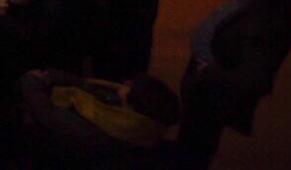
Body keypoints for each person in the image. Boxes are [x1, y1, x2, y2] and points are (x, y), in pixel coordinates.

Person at [177, 0, 291, 167]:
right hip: (205, 87)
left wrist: (206, 73)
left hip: (211, 97)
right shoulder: (251, 3)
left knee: (195, 149)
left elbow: (253, 80)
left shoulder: (263, 29)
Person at [20, 69, 180, 166]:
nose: (126, 82)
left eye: (130, 86)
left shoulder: (106, 130)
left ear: (137, 104)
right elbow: (87, 86)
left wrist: (32, 81)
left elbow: (48, 115)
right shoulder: (141, 127)